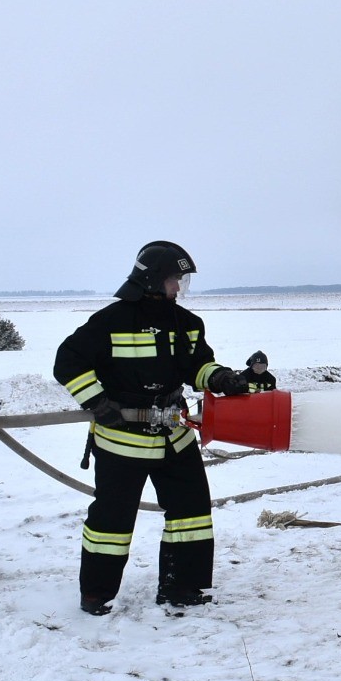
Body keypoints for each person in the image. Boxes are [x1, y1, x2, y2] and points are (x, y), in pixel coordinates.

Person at [54, 241, 251, 616]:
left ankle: (182, 588)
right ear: (152, 279)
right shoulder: (110, 322)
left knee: (191, 513)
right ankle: (96, 594)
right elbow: (68, 362)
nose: (179, 288)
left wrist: (221, 377)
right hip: (121, 441)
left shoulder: (187, 324)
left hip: (174, 437)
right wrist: (97, 402)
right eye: (175, 279)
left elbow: (197, 366)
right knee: (111, 522)